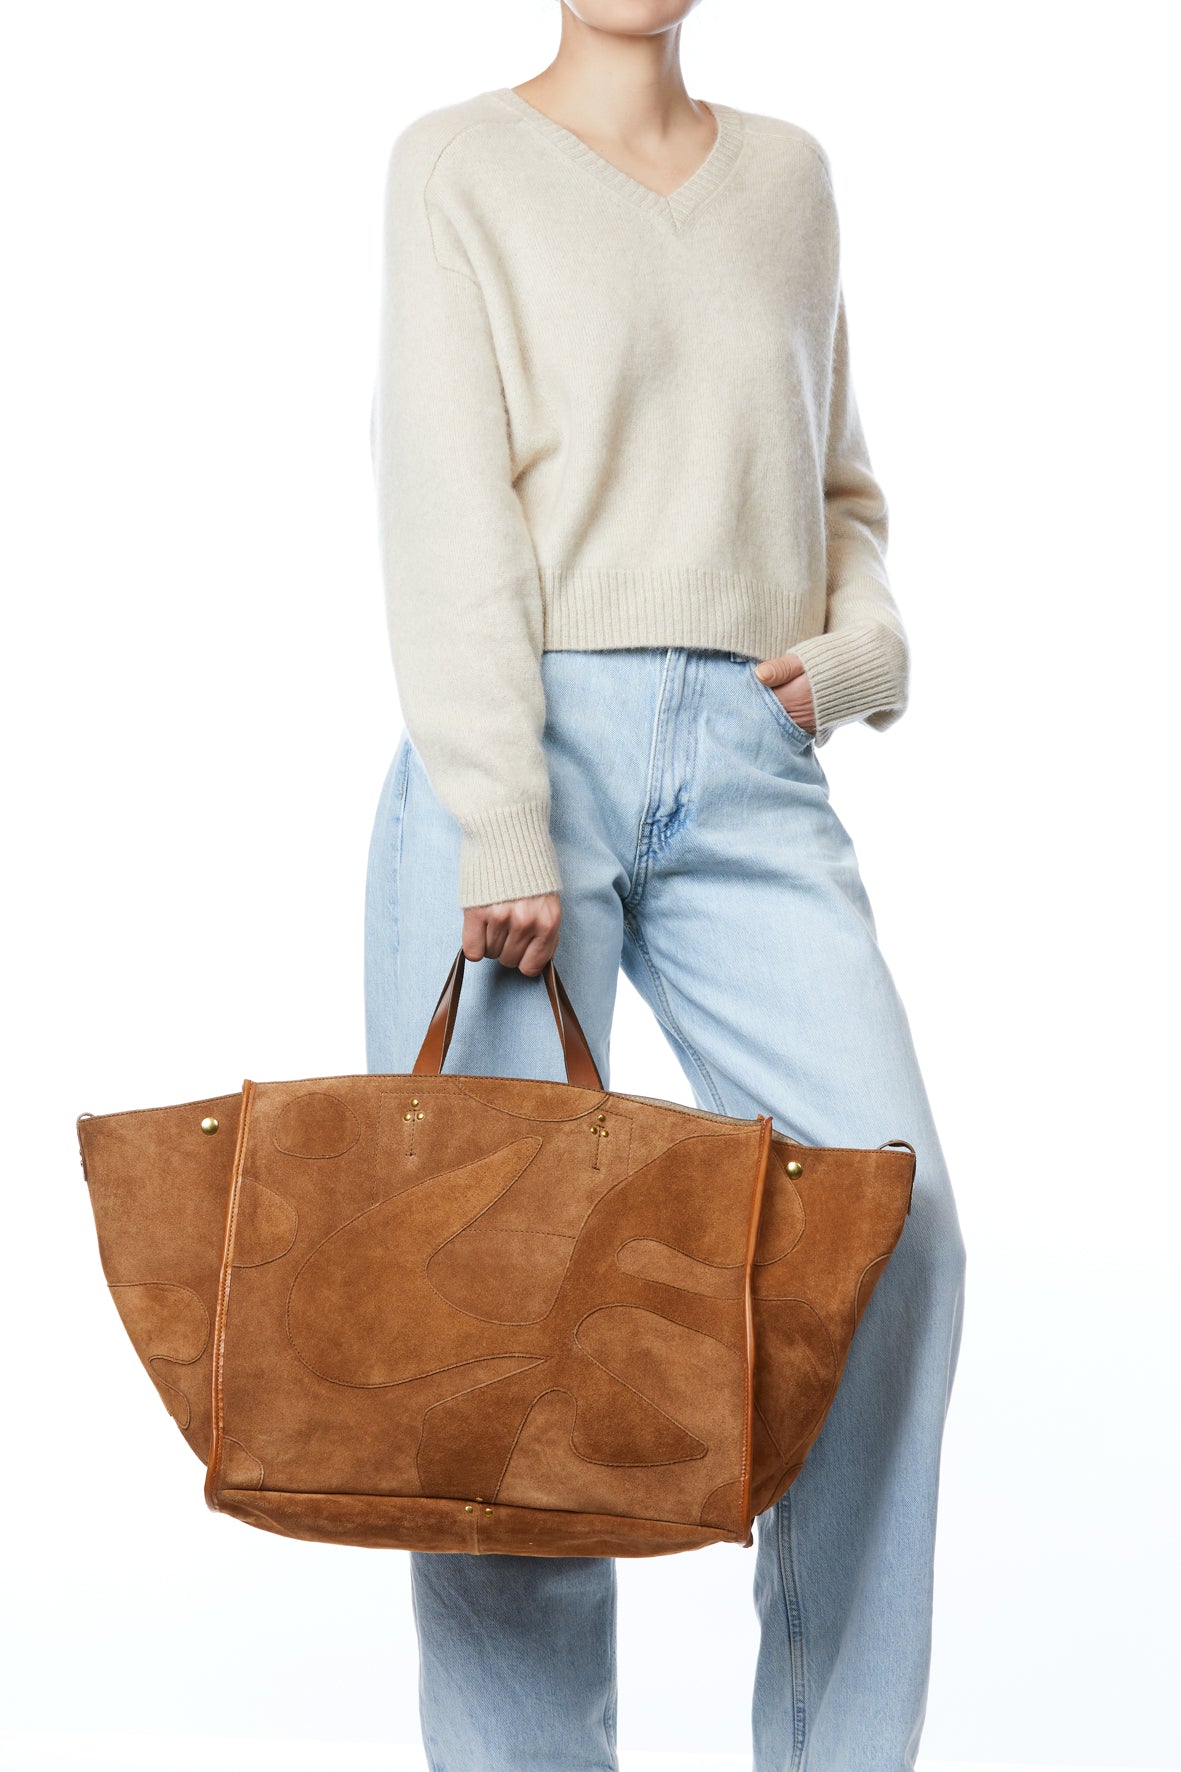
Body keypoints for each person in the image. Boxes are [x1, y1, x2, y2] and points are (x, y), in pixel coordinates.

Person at [363, 4, 968, 1767]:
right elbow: (441, 496)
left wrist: (858, 653)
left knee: (891, 1229)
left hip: (753, 763)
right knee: (499, 1330)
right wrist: (499, 812)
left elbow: (839, 488)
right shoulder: (457, 164)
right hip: (517, 751)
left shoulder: (788, 180)